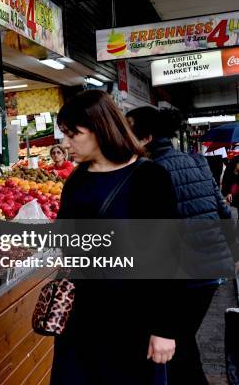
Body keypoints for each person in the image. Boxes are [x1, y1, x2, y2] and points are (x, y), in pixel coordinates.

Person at [51, 90, 180, 385]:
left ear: (100, 129)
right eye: (64, 134)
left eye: (73, 134)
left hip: (132, 322)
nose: (65, 144)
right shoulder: (76, 180)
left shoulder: (149, 178)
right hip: (80, 320)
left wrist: (165, 328)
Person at [127, 106, 237, 385]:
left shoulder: (148, 172)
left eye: (128, 129)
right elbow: (224, 213)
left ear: (146, 137)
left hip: (183, 273)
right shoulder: (197, 161)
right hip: (211, 271)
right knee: (182, 341)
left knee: (177, 345)